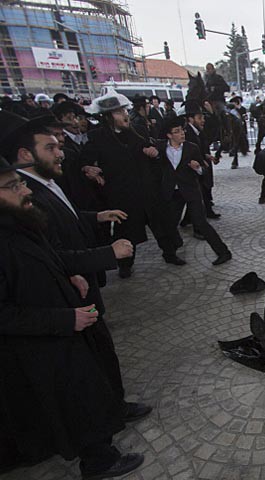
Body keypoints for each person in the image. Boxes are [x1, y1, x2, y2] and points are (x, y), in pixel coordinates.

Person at [0, 155, 145, 479]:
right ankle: (98, 462)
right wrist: (64, 320)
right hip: (40, 341)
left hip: (64, 319)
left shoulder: (19, 219)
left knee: (88, 388)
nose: (24, 189)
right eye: (13, 185)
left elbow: (49, 257)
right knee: (76, 399)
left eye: (20, 181)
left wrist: (67, 275)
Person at [82, 91, 182, 277]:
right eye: (119, 113)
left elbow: (150, 149)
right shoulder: (97, 137)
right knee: (126, 230)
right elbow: (86, 161)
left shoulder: (137, 131)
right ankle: (125, 264)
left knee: (161, 225)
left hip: (147, 190)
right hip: (123, 194)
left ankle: (170, 254)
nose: (125, 115)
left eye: (124, 111)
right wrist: (88, 168)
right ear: (108, 116)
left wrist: (153, 152)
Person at [157, 116, 232, 266]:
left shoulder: (192, 148)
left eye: (182, 130)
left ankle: (223, 252)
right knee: (170, 224)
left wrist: (198, 168)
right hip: (173, 192)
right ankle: (169, 254)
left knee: (201, 223)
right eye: (177, 132)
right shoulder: (160, 147)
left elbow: (204, 170)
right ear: (169, 135)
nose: (182, 133)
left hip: (191, 190)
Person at [183, 101, 220, 224]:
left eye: (203, 117)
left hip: (201, 167)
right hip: (192, 170)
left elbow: (203, 145)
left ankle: (191, 219)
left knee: (202, 193)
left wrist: (207, 156)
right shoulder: (186, 133)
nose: (203, 120)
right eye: (200, 118)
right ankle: (196, 223)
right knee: (197, 196)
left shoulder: (198, 130)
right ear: (190, 119)